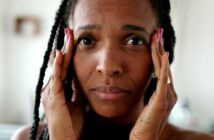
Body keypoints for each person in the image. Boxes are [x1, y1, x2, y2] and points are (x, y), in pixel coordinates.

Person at [12, 0, 214, 139]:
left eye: (134, 40)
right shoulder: (25, 139)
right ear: (63, 53)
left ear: (161, 52)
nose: (108, 67)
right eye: (86, 40)